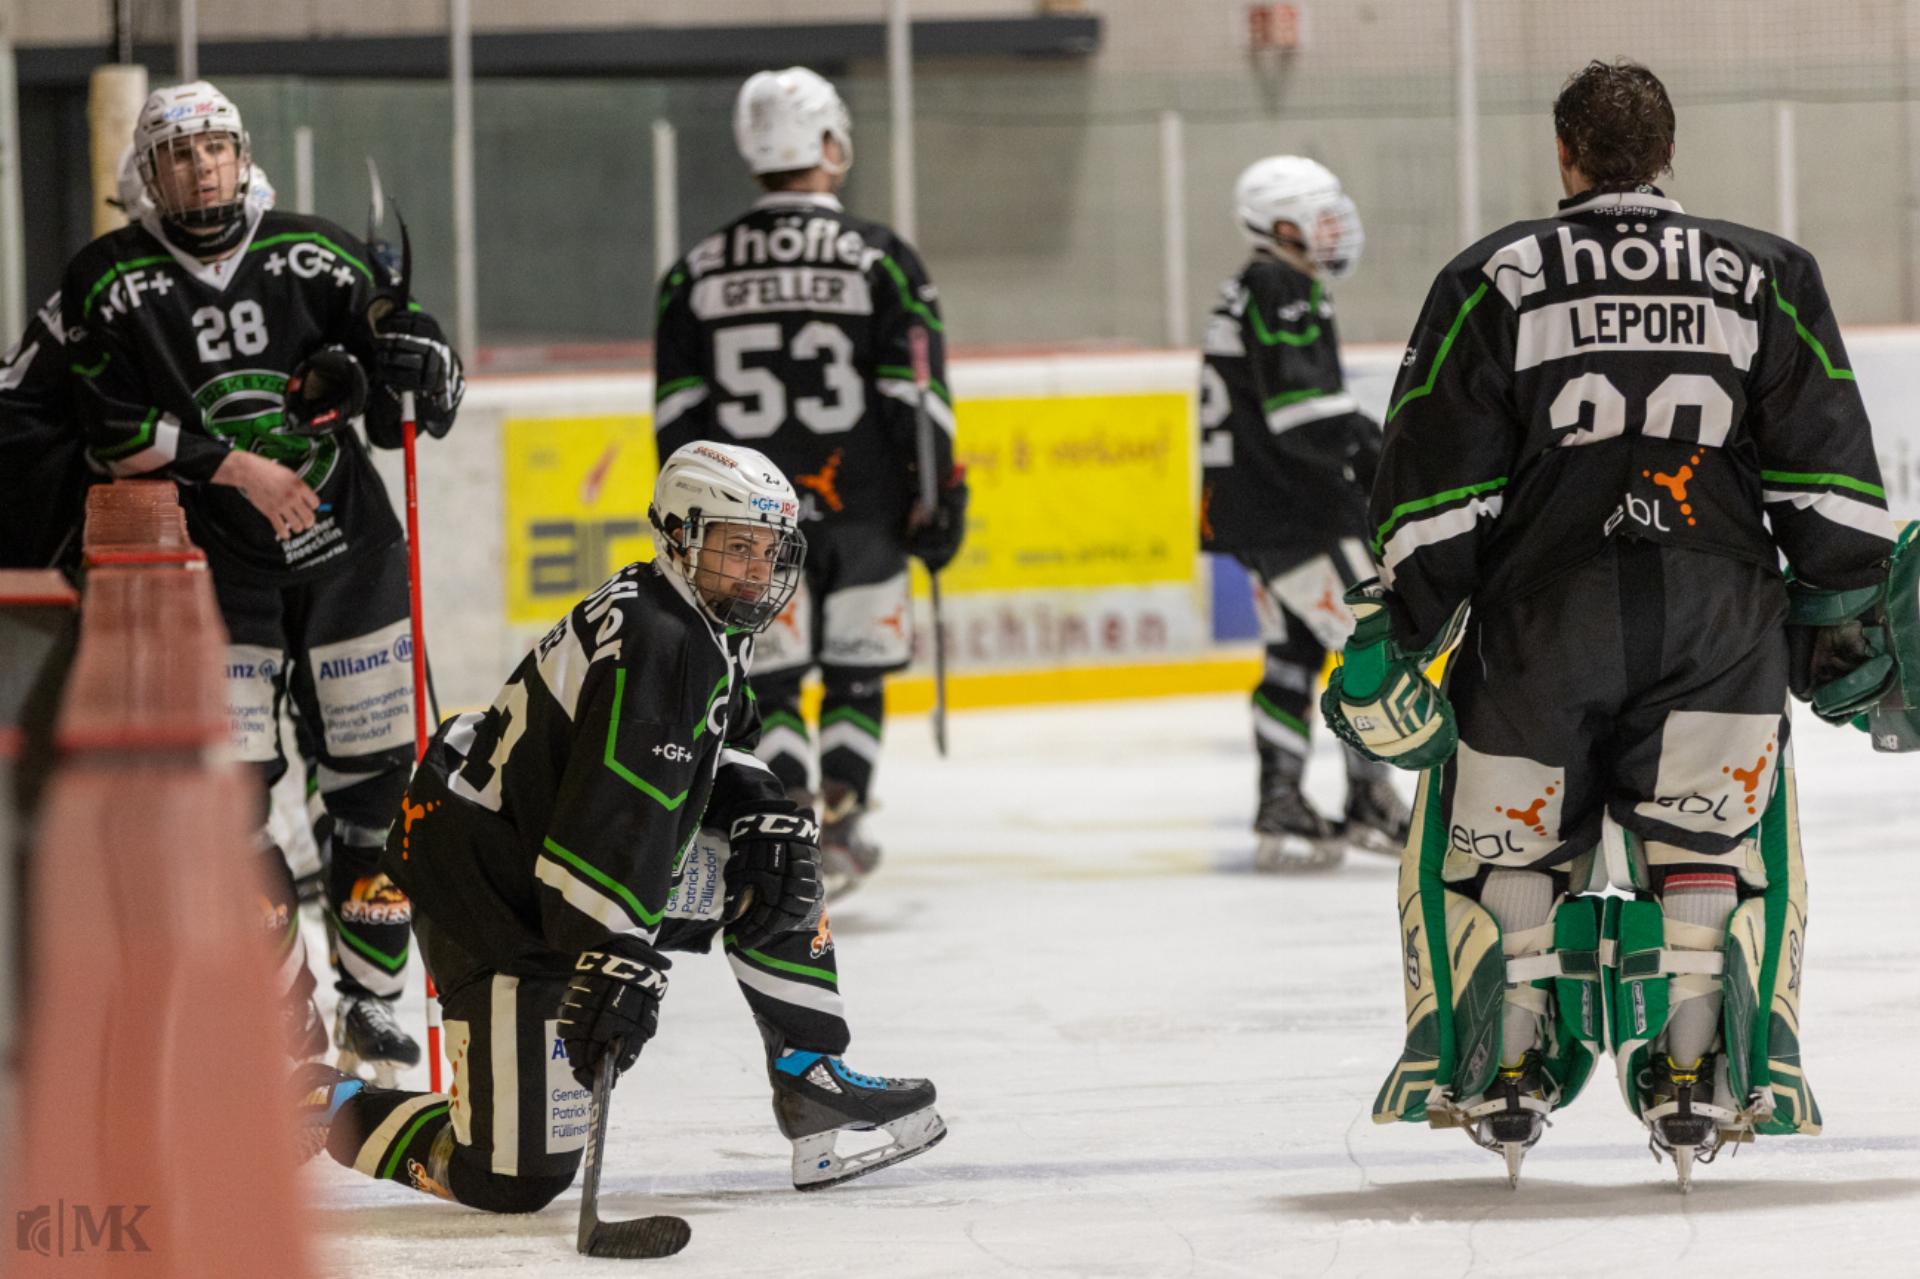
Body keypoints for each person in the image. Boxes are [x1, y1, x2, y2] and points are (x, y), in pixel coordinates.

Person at [1323, 60, 1894, 1189]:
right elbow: (1827, 480)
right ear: (1667, 154)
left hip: (1543, 622)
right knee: (1710, 845)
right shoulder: (1766, 273)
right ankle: (1697, 1062)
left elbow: (1438, 485)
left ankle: (1514, 1058)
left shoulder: (1493, 275)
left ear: (1566, 158)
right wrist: (1845, 615)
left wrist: (1407, 621)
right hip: (1720, 619)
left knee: (1503, 850)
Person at [295, 442, 945, 1210]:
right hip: (488, 890)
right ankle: (316, 1104)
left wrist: (759, 812)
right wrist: (612, 958)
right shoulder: (660, 641)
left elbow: (701, 753)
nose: (754, 572)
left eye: (767, 552)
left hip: (549, 862)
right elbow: (609, 820)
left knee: (772, 841)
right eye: (736, 547)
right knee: (511, 1177)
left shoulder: (693, 615)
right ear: (679, 534)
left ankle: (810, 1074)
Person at [60, 80, 465, 1084]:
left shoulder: (317, 253)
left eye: (218, 149)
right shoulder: (110, 278)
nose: (203, 167)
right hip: (210, 575)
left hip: (348, 560)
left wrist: (428, 364)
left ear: (246, 158)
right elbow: (103, 427)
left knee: (375, 794)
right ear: (145, 174)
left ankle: (373, 1001)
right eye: (180, 154)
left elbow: (419, 387)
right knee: (229, 801)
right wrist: (235, 464)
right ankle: (283, 1007)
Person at [652, 66, 968, 897]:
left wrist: (689, 528)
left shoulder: (693, 273)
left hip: (743, 517)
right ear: (829, 144)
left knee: (777, 678)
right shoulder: (882, 260)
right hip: (867, 507)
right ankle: (846, 824)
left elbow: (675, 419)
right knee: (857, 672)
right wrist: (936, 498)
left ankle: (788, 819)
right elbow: (917, 395)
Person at [1198, 155, 1411, 872]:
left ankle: (1281, 795)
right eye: (1318, 216)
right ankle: (1369, 796)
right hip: (1299, 509)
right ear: (1279, 224)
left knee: (1292, 652)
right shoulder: (1280, 283)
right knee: (1371, 642)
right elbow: (1303, 414)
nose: (1332, 229)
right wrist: (1379, 449)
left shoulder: (1253, 287)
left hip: (1255, 510)